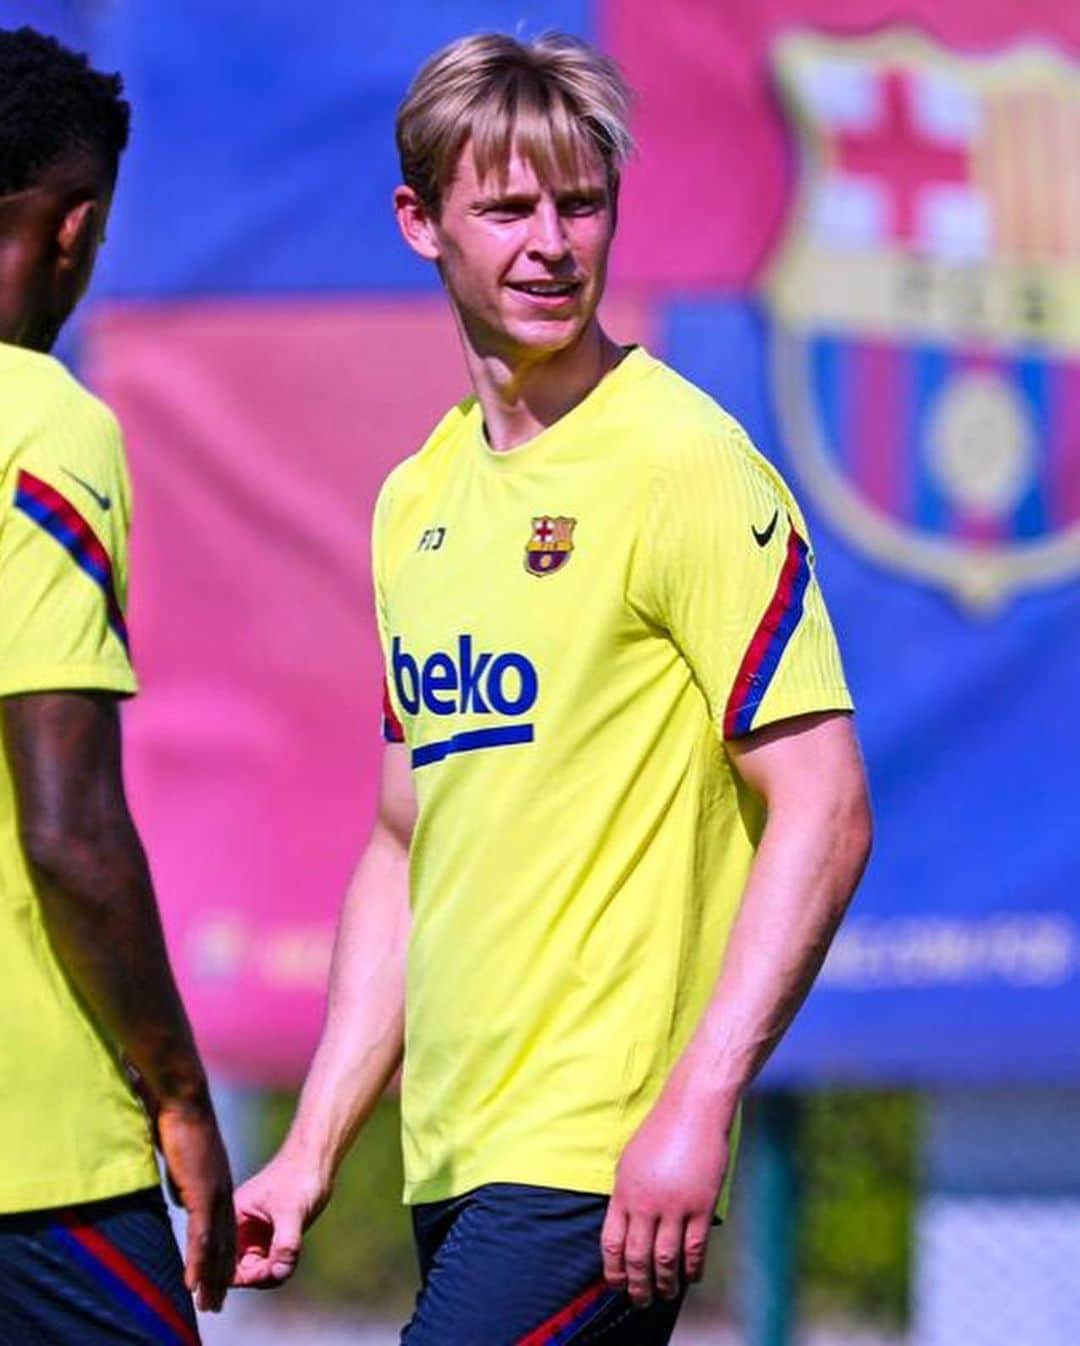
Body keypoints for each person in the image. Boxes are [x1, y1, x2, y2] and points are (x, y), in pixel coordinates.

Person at [234, 30, 872, 1344]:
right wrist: (310, 1147)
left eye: (579, 202)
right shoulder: (418, 499)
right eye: (508, 205)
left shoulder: (683, 461)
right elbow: (405, 841)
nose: (551, 241)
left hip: (598, 1158)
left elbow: (824, 804)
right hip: (454, 1156)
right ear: (420, 222)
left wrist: (696, 1102)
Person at [0, 25, 234, 1344]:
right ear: (78, 229)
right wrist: (181, 1094)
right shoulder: (42, 423)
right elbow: (69, 831)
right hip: (35, 1164)